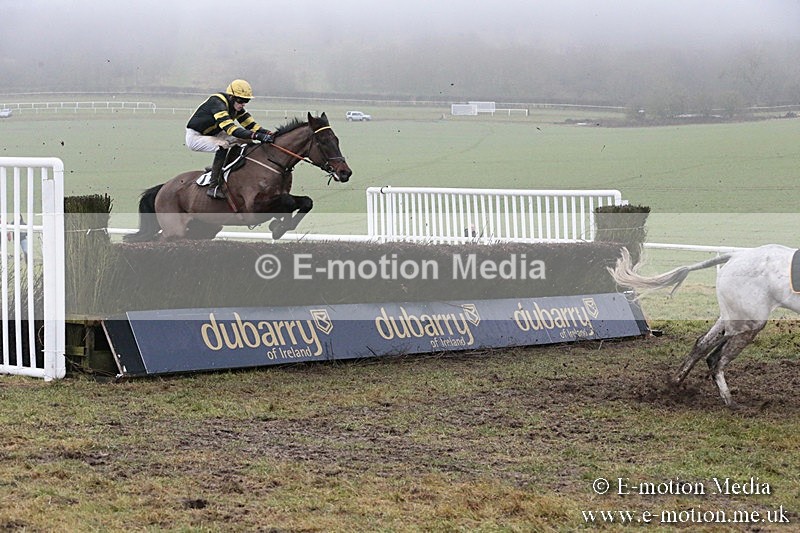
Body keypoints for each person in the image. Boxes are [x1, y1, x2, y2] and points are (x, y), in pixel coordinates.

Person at [186, 79, 274, 199]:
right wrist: (257, 136)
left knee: (246, 141)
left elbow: (251, 126)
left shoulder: (236, 107)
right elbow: (231, 129)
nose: (243, 104)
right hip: (196, 136)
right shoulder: (217, 103)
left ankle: (225, 167)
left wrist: (269, 133)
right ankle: (213, 186)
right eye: (241, 100)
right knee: (224, 145)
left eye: (246, 101)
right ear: (231, 97)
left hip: (215, 133)